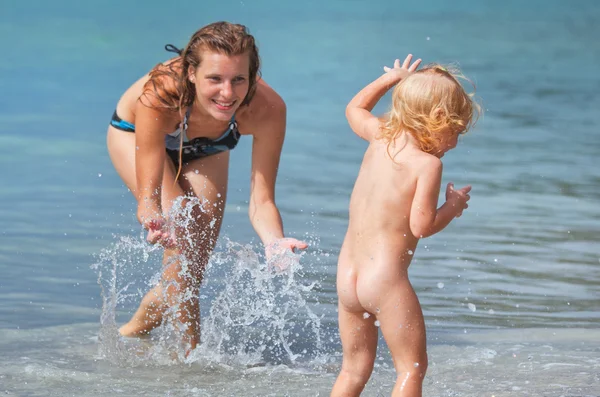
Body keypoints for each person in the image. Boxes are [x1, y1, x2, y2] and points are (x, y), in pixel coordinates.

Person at [106, 21, 308, 352]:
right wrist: (152, 213)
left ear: (252, 75)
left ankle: (132, 332)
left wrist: (274, 241)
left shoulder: (268, 109)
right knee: (183, 242)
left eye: (238, 79)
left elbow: (262, 200)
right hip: (136, 135)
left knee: (192, 267)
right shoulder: (161, 96)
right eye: (214, 79)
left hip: (208, 147)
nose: (227, 93)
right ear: (190, 73)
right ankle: (191, 359)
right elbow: (149, 194)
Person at [331, 55, 480, 397]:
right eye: (455, 132)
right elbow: (422, 225)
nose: (455, 143)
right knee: (411, 369)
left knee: (353, 370)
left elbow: (354, 109)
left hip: (346, 278)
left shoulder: (380, 135)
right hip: (384, 281)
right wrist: (453, 207)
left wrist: (392, 79)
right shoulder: (426, 165)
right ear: (438, 119)